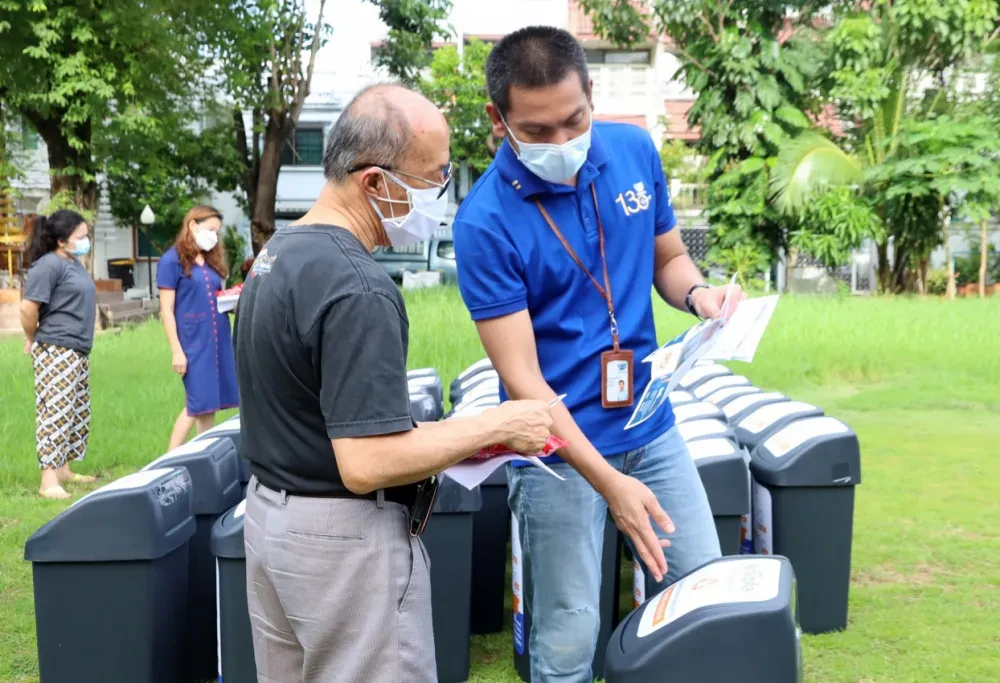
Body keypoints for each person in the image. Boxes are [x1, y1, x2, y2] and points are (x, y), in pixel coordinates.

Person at [233, 83, 554, 683]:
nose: (439, 196)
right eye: (432, 179)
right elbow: (365, 462)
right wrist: (494, 424)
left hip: (274, 520)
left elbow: (318, 409)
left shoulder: (279, 254)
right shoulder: (358, 287)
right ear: (375, 183)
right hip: (341, 544)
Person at [453, 27, 745, 682]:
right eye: (538, 130)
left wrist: (700, 296)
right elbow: (523, 378)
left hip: (650, 425)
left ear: (591, 93)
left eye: (573, 120)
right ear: (499, 120)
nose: (561, 143)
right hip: (556, 454)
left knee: (699, 593)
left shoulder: (634, 150)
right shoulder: (484, 222)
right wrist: (608, 482)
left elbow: (668, 258)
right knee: (569, 628)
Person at [20, 210, 98, 499]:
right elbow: (28, 309)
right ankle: (48, 481)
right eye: (80, 237)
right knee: (55, 411)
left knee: (75, 411)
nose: (85, 241)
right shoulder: (48, 266)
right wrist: (31, 337)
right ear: (63, 240)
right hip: (57, 348)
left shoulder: (72, 262)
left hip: (77, 348)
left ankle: (63, 468)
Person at [157, 205, 238, 450]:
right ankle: (168, 458)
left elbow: (212, 295)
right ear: (192, 225)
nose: (214, 235)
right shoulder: (172, 260)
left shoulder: (210, 260)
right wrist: (176, 351)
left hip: (217, 337)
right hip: (193, 340)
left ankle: (205, 453)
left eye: (217, 231)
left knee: (209, 404)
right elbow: (166, 310)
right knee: (197, 402)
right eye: (210, 229)